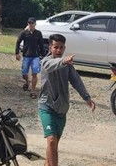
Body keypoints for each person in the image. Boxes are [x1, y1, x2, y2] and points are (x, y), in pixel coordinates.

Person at [39, 34, 96, 166]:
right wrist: (63, 61)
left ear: (64, 48)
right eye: (55, 47)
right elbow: (52, 65)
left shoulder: (67, 65)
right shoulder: (46, 62)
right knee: (51, 140)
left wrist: (87, 98)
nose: (58, 50)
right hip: (46, 106)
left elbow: (76, 81)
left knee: (53, 145)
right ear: (50, 47)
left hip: (62, 109)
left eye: (61, 47)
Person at [15, 17, 45, 98]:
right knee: (24, 73)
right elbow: (18, 42)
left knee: (35, 73)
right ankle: (27, 82)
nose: (31, 25)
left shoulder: (38, 33)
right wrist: (17, 53)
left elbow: (41, 45)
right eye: (29, 23)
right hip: (26, 55)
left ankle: (33, 90)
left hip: (35, 56)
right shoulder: (24, 33)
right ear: (27, 24)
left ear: (35, 24)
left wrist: (44, 56)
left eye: (32, 23)